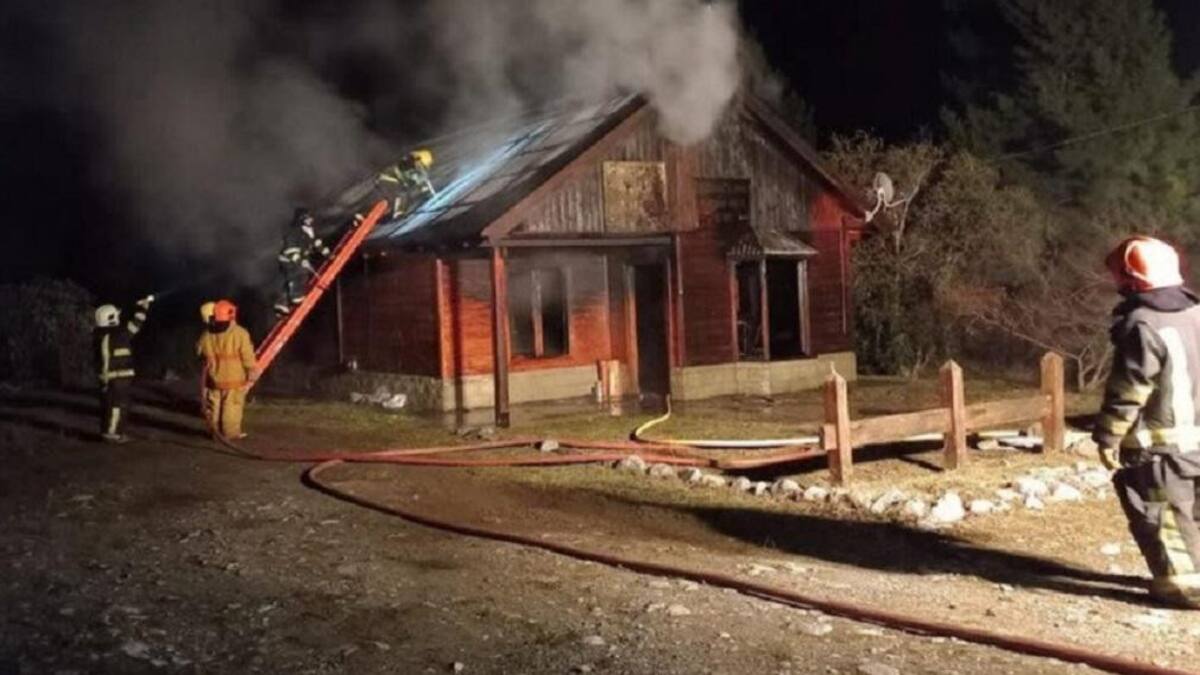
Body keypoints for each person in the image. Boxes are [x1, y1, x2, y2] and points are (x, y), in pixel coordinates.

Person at [1093, 235, 1200, 609]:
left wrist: (1107, 436)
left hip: (1163, 449)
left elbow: (1131, 388)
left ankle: (1185, 589)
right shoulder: (1197, 314)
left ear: (1131, 278)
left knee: (1167, 517)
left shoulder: (1143, 324)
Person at [94, 295, 154, 443]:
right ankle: (113, 434)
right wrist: (143, 308)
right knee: (117, 406)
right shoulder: (119, 334)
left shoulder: (99, 335)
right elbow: (136, 324)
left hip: (108, 377)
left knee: (108, 405)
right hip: (118, 377)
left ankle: (108, 431)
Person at [196, 299, 257, 439]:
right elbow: (247, 354)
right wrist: (252, 370)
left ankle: (214, 433)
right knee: (232, 407)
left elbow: (199, 352)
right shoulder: (239, 333)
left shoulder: (206, 336)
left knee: (213, 406)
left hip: (213, 379)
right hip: (234, 379)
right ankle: (231, 434)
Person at [275, 208, 330, 316]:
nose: (311, 220)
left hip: (298, 258)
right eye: (308, 218)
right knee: (298, 275)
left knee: (292, 280)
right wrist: (300, 260)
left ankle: (281, 305)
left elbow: (316, 243)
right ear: (302, 219)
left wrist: (327, 253)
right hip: (289, 260)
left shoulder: (309, 230)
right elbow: (290, 249)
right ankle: (296, 297)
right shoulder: (294, 232)